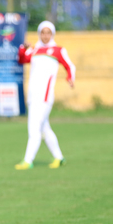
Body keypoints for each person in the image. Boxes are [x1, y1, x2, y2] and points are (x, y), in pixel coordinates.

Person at [15, 20, 75, 170]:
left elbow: (70, 65)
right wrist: (23, 47)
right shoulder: (34, 50)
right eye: (43, 32)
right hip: (32, 96)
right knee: (44, 129)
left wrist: (70, 78)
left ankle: (28, 160)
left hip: (45, 96)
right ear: (39, 33)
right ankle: (59, 158)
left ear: (52, 34)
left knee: (34, 128)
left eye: (48, 33)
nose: (46, 35)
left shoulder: (58, 50)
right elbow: (21, 59)